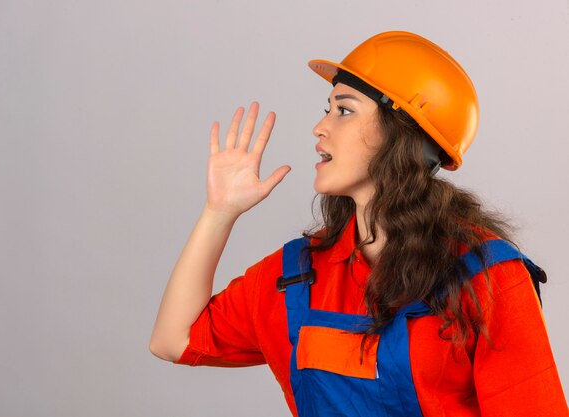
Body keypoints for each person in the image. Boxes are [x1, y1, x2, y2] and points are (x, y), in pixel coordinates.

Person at [149, 31, 568, 416]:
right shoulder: (299, 276)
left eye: (344, 110)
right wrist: (219, 213)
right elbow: (173, 340)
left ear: (401, 133)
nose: (319, 127)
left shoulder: (487, 279)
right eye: (326, 109)